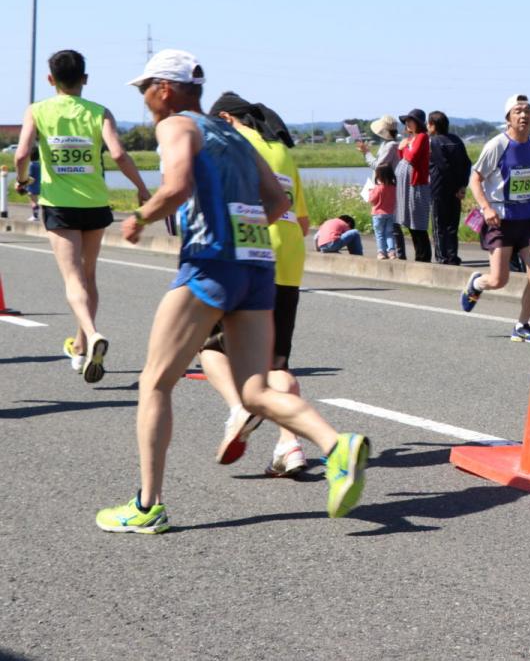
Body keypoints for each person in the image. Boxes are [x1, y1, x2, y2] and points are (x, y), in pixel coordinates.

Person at [95, 49, 368, 533]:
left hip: (210, 263)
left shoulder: (177, 126)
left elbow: (177, 186)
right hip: (258, 267)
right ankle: (335, 446)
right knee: (255, 389)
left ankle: (146, 505)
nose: (145, 101)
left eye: (145, 90)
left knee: (154, 382)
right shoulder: (239, 137)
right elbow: (279, 201)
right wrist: (244, 237)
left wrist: (139, 217)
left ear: (164, 88)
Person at [14, 49, 151, 382]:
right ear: (85, 79)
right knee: (89, 276)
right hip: (95, 203)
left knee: (73, 278)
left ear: (51, 79)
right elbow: (118, 153)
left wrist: (22, 181)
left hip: (59, 203)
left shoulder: (37, 110)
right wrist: (143, 189)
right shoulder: (99, 112)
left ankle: (91, 334)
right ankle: (79, 346)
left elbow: (21, 154)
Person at [199, 92, 314, 477]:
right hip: (290, 261)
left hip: (251, 255)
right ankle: (289, 445)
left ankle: (239, 409)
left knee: (209, 346)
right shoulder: (282, 150)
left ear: (227, 119)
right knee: (275, 363)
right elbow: (301, 221)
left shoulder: (232, 141)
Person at [460, 94, 530, 342]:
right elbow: (475, 179)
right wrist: (486, 208)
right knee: (498, 280)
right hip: (500, 219)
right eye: (518, 111)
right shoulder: (497, 145)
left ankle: (522, 325)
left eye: (528, 111)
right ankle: (477, 284)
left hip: (528, 218)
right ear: (508, 118)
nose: (524, 115)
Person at [358, 114, 405, 259]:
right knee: (391, 226)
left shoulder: (390, 146)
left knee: (387, 228)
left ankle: (389, 252)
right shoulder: (388, 144)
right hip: (388, 188)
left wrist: (366, 153)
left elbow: (378, 166)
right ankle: (393, 252)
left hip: (384, 187)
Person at [428, 110, 471, 264]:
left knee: (439, 225)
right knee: (452, 225)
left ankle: (441, 257)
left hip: (440, 189)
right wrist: (462, 186)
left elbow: (443, 166)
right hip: (457, 190)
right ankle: (453, 256)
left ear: (432, 125)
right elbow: (467, 163)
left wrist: (455, 186)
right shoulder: (456, 139)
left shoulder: (435, 141)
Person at [396, 108, 432, 262]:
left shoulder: (422, 137)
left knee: (418, 223)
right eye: (406, 122)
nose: (407, 124)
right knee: (411, 223)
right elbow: (403, 157)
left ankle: (423, 257)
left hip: (416, 185)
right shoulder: (412, 138)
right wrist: (403, 148)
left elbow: (412, 157)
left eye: (410, 121)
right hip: (408, 186)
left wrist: (404, 147)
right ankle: (419, 256)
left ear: (417, 123)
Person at [369, 165, 399, 260]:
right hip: (390, 214)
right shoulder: (394, 187)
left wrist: (370, 191)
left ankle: (381, 252)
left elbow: (372, 200)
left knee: (379, 234)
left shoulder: (378, 188)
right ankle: (392, 252)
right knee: (389, 234)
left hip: (378, 214)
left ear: (379, 176)